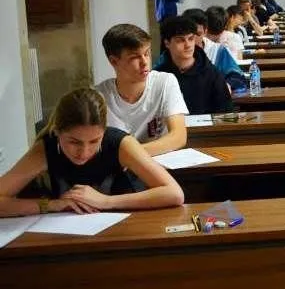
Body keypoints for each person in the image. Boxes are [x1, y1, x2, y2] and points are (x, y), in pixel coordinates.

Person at [0, 88, 184, 216]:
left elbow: (174, 193)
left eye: (95, 141)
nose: (84, 152)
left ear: (104, 132)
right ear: (57, 132)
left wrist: (105, 201)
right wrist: (52, 205)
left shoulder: (121, 144)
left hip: (125, 230)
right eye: (74, 142)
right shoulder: (45, 148)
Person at [95, 23, 188, 156]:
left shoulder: (165, 82)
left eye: (146, 53)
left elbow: (178, 137)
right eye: (134, 57)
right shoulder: (99, 97)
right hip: (118, 167)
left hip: (157, 163)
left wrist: (128, 155)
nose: (144, 62)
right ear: (114, 61)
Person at [154, 17, 234, 114]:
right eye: (180, 40)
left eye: (191, 39)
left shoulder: (211, 73)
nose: (188, 45)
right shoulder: (158, 75)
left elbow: (226, 112)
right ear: (167, 43)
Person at [179, 8, 247, 93]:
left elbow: (237, 77)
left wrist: (228, 84)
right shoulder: (174, 52)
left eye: (198, 34)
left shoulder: (218, 51)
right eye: (189, 34)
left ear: (205, 32)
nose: (193, 39)